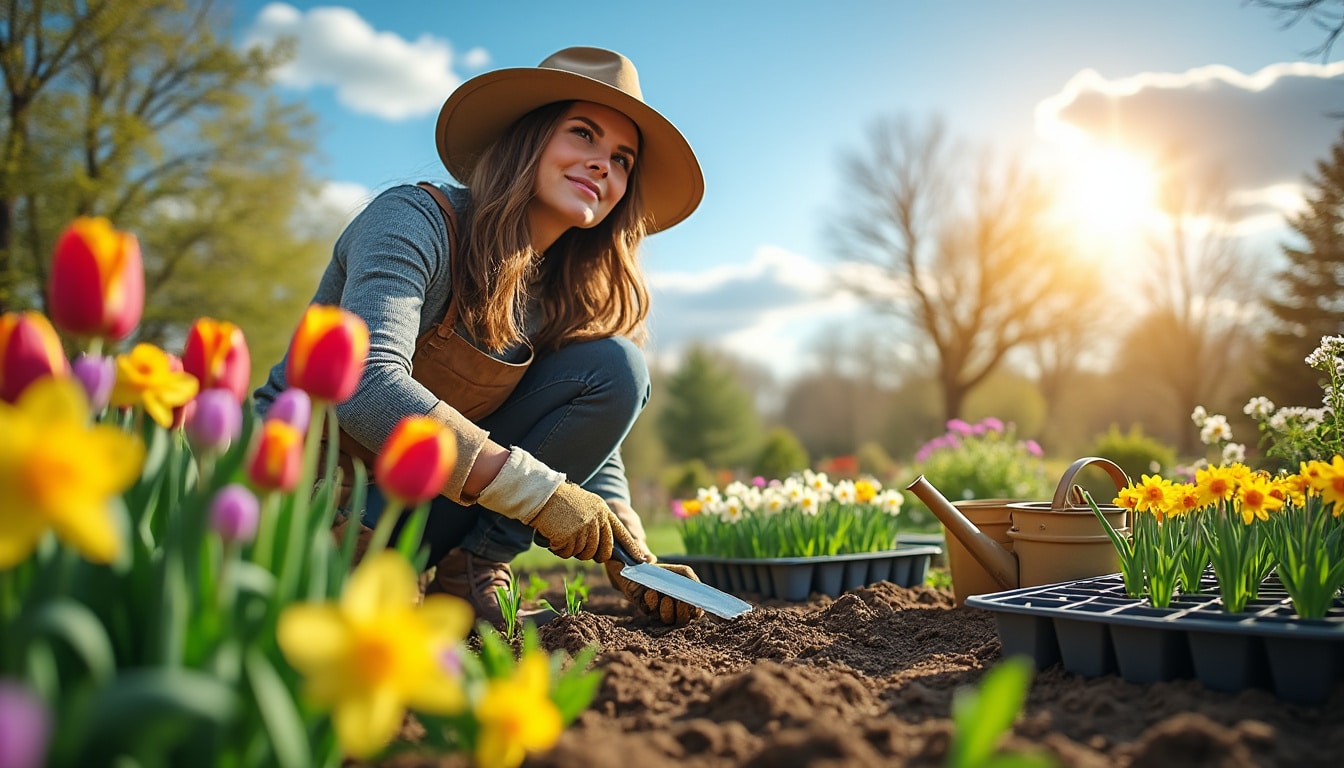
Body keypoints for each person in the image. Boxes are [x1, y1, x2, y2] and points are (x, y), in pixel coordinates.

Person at [253, 46, 705, 628]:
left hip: (418, 510)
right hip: (306, 493)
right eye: (583, 134)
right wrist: (539, 495)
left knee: (616, 368)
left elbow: (596, 437)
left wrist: (634, 551)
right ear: (528, 137)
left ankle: (470, 577)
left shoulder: (558, 291)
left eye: (622, 159)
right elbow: (365, 382)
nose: (603, 165)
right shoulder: (413, 221)